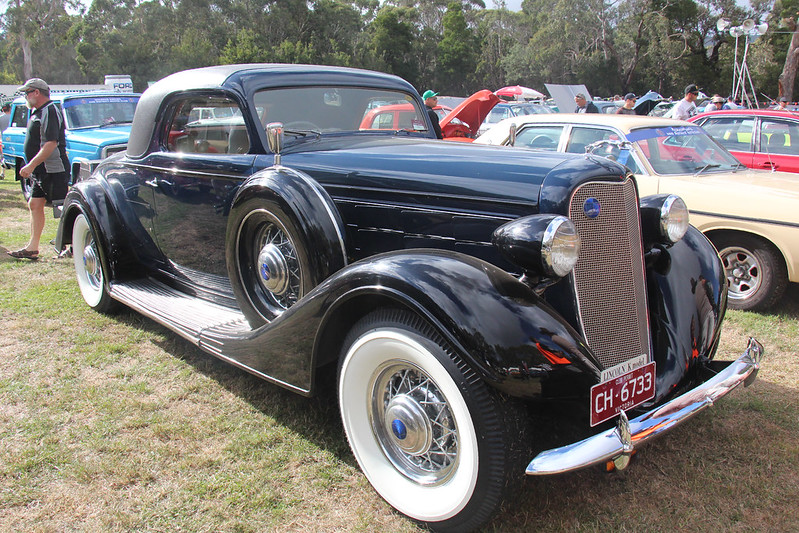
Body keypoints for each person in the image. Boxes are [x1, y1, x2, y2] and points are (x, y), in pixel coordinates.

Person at [6, 78, 69, 261]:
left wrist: (30, 165)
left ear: (37, 92)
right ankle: (32, 248)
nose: (25, 96)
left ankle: (71, 247)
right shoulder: (37, 112)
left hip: (53, 169)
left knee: (62, 208)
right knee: (34, 204)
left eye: (27, 92)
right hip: (40, 170)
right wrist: (34, 167)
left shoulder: (50, 110)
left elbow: (51, 143)